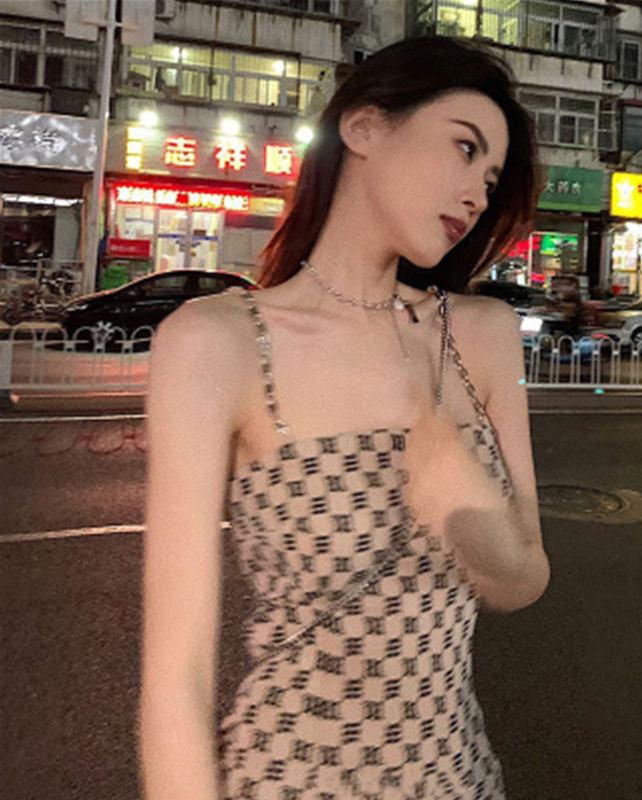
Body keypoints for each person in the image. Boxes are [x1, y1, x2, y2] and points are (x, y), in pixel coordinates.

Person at [139, 35, 550, 800]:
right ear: (363, 128)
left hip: (459, 778)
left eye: (491, 179)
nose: (477, 194)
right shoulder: (216, 342)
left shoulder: (483, 335)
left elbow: (526, 577)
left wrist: (472, 523)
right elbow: (177, 679)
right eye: (465, 149)